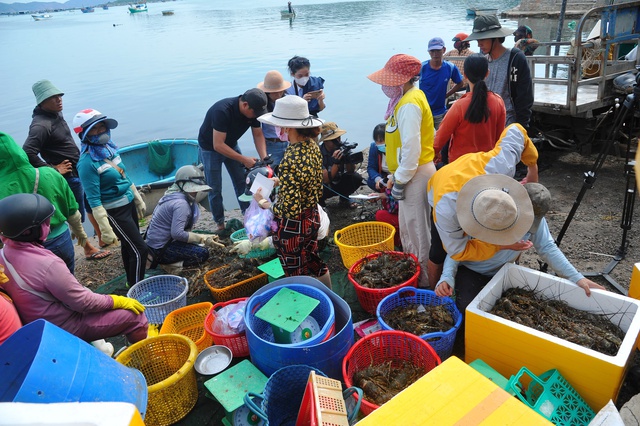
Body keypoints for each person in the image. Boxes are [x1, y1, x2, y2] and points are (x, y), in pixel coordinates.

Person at [434, 178, 605, 316]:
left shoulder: (535, 218)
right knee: (467, 311)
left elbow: (547, 247)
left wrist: (577, 278)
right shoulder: (489, 211)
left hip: (504, 271)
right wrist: (447, 276)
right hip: (472, 270)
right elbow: (456, 250)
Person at [0, 193, 149, 347]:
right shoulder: (47, 264)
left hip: (37, 324)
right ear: (28, 232)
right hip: (64, 326)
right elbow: (84, 303)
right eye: (45, 223)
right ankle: (139, 356)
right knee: (136, 317)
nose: (49, 226)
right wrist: (117, 300)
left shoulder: (3, 255)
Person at [427, 123, 539, 288]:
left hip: (471, 170)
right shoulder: (446, 211)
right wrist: (501, 245)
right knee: (438, 252)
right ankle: (433, 293)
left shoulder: (501, 165)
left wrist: (533, 168)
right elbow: (458, 251)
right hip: (440, 185)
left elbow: (516, 130)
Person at [368, 53, 436, 287]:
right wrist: (396, 176)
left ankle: (425, 282)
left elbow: (411, 148)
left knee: (418, 231)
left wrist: (399, 179)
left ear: (403, 79)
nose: (386, 85)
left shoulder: (408, 104)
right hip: (411, 172)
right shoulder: (409, 98)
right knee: (409, 227)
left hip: (416, 173)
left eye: (390, 80)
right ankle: (415, 273)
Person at [22, 80, 109, 260]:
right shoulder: (41, 125)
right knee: (74, 215)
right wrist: (53, 170)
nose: (58, 99)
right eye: (52, 97)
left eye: (59, 95)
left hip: (78, 172)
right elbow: (27, 152)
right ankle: (87, 248)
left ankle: (101, 238)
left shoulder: (55, 114)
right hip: (68, 178)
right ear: (41, 101)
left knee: (88, 206)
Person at [252, 95, 332, 288]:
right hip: (312, 216)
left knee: (295, 272)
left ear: (287, 127)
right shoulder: (312, 146)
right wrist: (279, 181)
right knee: (314, 260)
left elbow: (288, 208)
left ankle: (308, 309)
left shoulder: (290, 157)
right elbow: (304, 178)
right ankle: (330, 295)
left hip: (293, 226)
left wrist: (263, 202)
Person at [74, 109, 149, 287]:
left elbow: (124, 175)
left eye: (103, 128)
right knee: (140, 248)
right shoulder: (86, 163)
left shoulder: (109, 149)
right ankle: (139, 288)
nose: (101, 133)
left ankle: (132, 282)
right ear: (84, 134)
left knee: (129, 246)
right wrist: (104, 227)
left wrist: (136, 197)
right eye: (95, 130)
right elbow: (93, 199)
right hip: (115, 211)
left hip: (128, 203)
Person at [0, 132, 91, 274]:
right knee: (68, 281)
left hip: (24, 253)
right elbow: (73, 212)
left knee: (40, 293)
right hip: (60, 241)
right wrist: (82, 236)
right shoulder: (50, 173)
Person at [197, 88, 268, 231]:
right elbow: (218, 145)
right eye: (255, 113)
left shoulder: (253, 112)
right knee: (214, 188)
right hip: (210, 148)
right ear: (245, 105)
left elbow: (258, 135)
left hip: (231, 143)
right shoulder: (222, 111)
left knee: (242, 182)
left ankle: (248, 216)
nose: (256, 116)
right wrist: (244, 159)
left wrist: (264, 158)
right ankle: (220, 224)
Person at [433, 54, 506, 165]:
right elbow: (500, 138)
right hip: (487, 164)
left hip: (460, 167)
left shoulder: (459, 106)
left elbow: (439, 139)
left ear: (465, 75)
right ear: (487, 73)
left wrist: (435, 153)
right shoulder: (498, 102)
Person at [145, 165, 223, 270]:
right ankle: (171, 265)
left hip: (155, 244)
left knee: (197, 245)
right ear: (182, 185)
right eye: (193, 189)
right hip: (160, 249)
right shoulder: (181, 204)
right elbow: (177, 233)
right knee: (203, 253)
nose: (195, 193)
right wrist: (202, 238)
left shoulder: (172, 195)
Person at [465, 15, 534, 127]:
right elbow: (470, 92)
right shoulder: (481, 61)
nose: (479, 44)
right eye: (477, 40)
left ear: (495, 37)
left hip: (507, 126)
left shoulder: (515, 59)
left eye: (482, 39)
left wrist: (521, 128)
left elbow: (525, 98)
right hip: (483, 127)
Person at [419, 37, 465, 130]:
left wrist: (447, 95)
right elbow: (408, 81)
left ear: (444, 50)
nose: (435, 54)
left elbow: (460, 83)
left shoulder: (450, 67)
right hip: (423, 111)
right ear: (428, 52)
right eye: (432, 51)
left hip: (440, 112)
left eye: (438, 51)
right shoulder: (422, 68)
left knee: (439, 141)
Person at [367, 123, 400, 247]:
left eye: (382, 140)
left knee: (382, 213)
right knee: (372, 181)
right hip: (386, 180)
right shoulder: (375, 148)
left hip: (394, 183)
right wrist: (378, 179)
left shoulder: (397, 149)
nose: (380, 143)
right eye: (377, 141)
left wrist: (386, 190)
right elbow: (370, 168)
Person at [318, 122, 363, 208]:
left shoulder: (343, 147)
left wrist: (348, 159)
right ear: (325, 140)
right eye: (334, 139)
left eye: (338, 137)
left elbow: (351, 171)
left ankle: (344, 197)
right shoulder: (318, 153)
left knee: (356, 178)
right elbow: (326, 180)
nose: (337, 141)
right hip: (324, 187)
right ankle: (320, 203)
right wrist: (336, 162)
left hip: (339, 181)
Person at [257, 70, 292, 170]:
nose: (278, 94)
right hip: (271, 143)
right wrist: (264, 156)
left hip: (288, 142)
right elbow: (257, 132)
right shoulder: (262, 105)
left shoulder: (287, 100)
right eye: (275, 92)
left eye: (281, 91)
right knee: (271, 172)